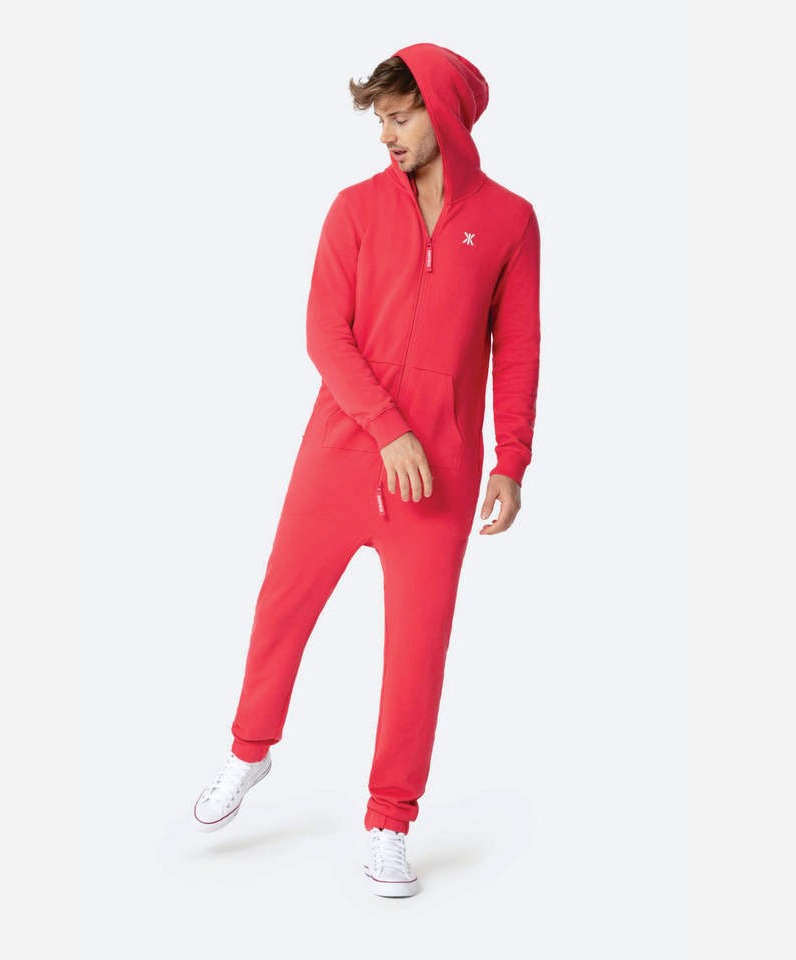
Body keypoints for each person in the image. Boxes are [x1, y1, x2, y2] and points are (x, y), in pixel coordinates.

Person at [192, 42, 541, 898]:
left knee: (417, 652)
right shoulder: (353, 209)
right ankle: (249, 751)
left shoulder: (509, 221)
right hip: (343, 452)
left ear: (444, 114)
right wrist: (388, 430)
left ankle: (390, 821)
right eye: (379, 119)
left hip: (442, 474)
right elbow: (325, 333)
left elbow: (518, 348)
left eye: (400, 116)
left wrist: (511, 459)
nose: (386, 134)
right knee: (282, 607)